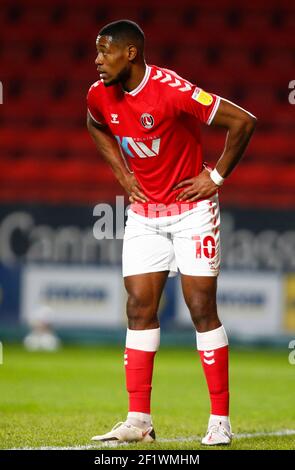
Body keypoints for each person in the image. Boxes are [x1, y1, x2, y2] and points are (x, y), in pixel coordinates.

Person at [87, 19, 256, 445]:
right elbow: (95, 124)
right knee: (139, 308)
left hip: (193, 211)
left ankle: (220, 420)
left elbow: (244, 122)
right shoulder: (98, 95)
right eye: (96, 51)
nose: (97, 60)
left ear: (130, 53)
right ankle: (139, 420)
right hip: (144, 213)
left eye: (105, 52)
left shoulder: (173, 90)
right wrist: (122, 175)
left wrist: (215, 178)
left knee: (201, 308)